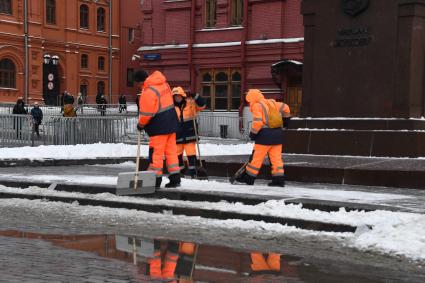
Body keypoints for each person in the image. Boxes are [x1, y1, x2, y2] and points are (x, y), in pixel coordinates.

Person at [234, 89, 291, 187]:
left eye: (249, 101)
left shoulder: (257, 105)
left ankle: (249, 179)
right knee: (276, 159)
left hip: (264, 137)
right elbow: (286, 107)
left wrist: (253, 134)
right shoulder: (272, 102)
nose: (249, 103)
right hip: (277, 135)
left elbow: (258, 122)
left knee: (256, 159)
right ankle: (278, 180)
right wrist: (285, 120)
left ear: (251, 99)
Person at [135, 69, 181, 188]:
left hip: (159, 126)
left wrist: (140, 125)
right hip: (171, 122)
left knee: (156, 153)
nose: (139, 87)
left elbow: (146, 113)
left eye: (138, 84)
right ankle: (175, 178)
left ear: (140, 82)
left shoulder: (149, 90)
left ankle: (156, 180)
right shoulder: (163, 84)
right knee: (171, 152)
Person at [172, 87, 206, 178]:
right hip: (177, 136)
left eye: (179, 96)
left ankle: (193, 173)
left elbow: (202, 106)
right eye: (175, 97)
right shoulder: (171, 107)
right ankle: (181, 172)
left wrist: (196, 97)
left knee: (191, 155)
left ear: (182, 96)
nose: (177, 98)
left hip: (189, 135)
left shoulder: (190, 103)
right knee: (177, 155)